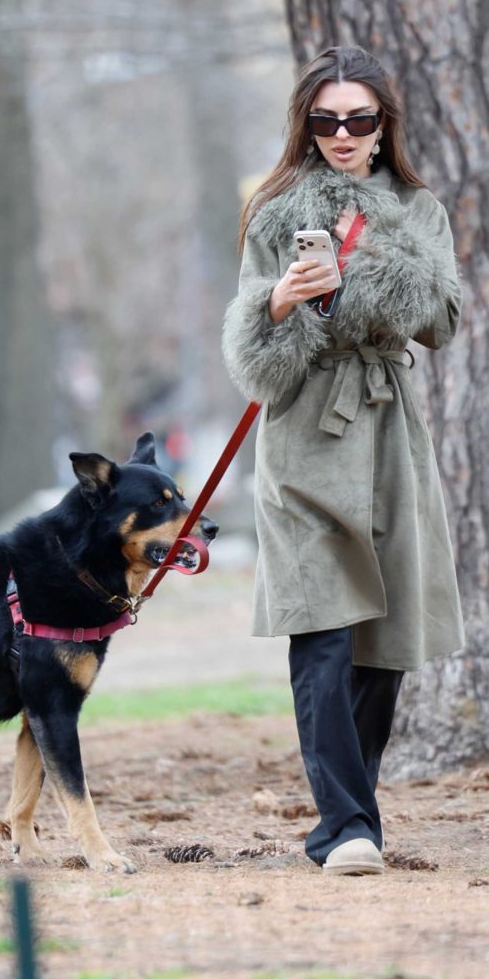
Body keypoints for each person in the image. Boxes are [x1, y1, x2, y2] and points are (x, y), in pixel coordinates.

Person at [222, 45, 464, 875]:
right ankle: (347, 827)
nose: (341, 134)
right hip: (300, 439)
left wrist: (360, 269)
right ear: (307, 123)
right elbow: (252, 361)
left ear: (382, 123)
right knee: (319, 631)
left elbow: (442, 318)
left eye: (358, 119)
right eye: (325, 120)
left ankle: (349, 816)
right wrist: (279, 303)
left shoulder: (417, 207)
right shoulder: (273, 207)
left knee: (381, 643)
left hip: (386, 434)